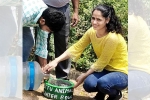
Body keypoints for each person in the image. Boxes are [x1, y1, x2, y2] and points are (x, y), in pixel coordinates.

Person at [44, 3, 128, 100]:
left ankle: (115, 95)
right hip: (105, 70)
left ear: (107, 20)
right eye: (93, 18)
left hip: (121, 73)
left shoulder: (113, 37)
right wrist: (56, 60)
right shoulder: (92, 31)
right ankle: (101, 95)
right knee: (89, 85)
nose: (94, 22)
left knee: (103, 83)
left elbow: (102, 62)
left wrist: (84, 75)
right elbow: (76, 48)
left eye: (99, 19)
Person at [39, 0, 79, 79]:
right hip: (45, 6)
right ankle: (41, 74)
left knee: (63, 43)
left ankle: (62, 77)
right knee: (42, 40)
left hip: (64, 8)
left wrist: (76, 11)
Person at [128, 0, 150, 99]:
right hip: (137, 74)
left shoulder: (133, 21)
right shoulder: (137, 19)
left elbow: (124, 50)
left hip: (141, 75)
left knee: (117, 79)